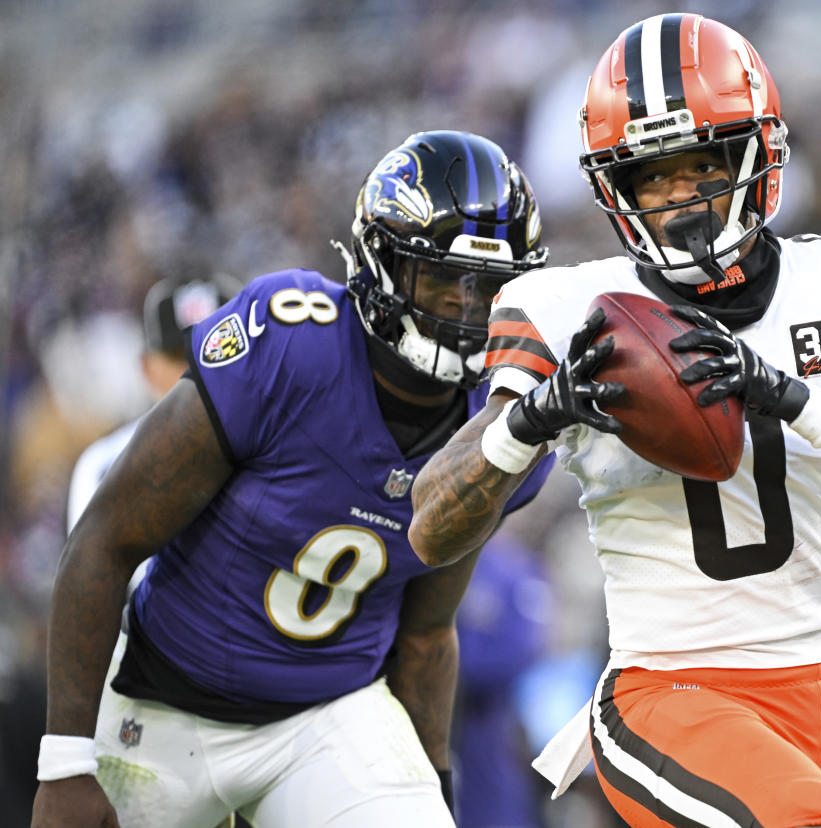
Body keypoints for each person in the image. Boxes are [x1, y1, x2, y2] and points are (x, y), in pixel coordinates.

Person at [406, 13, 821, 828]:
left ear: (755, 155)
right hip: (664, 691)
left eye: (697, 166)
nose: (678, 198)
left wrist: (789, 396)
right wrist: (534, 415)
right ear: (616, 190)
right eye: (651, 177)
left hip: (813, 683)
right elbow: (431, 527)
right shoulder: (569, 311)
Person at [32, 130, 553, 828]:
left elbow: (428, 631)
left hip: (329, 719)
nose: (465, 308)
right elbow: (105, 538)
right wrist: (66, 761)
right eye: (440, 280)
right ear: (381, 263)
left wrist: (432, 784)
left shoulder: (504, 419)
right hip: (164, 706)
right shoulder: (291, 346)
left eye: (487, 287)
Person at [67, 272, 241, 531]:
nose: (198, 369)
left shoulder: (287, 445)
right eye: (179, 357)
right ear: (147, 369)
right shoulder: (106, 468)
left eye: (217, 350)